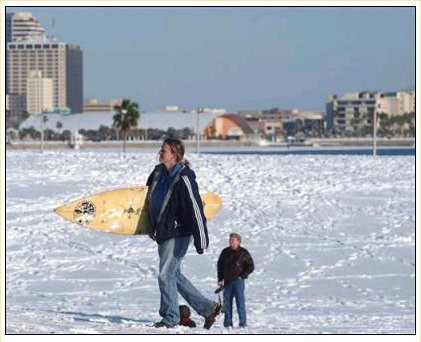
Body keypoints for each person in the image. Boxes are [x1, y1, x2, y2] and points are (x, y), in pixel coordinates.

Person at [146, 138, 222, 329]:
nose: (160, 153)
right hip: (163, 231)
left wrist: (201, 238)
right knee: (173, 274)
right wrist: (151, 226)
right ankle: (208, 308)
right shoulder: (158, 172)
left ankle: (170, 317)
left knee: (165, 274)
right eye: (161, 150)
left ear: (174, 154)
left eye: (163, 150)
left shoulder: (184, 177)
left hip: (178, 232)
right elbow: (148, 199)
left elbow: (195, 208)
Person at [217, 232, 254, 328]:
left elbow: (250, 266)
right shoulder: (225, 252)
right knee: (227, 304)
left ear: (238, 242)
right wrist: (220, 278)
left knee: (240, 303)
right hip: (227, 281)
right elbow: (220, 266)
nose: (231, 242)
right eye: (230, 240)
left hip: (238, 281)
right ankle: (228, 323)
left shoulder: (243, 252)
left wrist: (243, 275)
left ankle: (242, 323)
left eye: (233, 240)